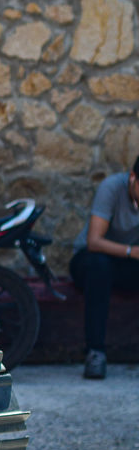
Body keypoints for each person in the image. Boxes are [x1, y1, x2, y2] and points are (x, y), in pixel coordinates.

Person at [69, 155, 139, 379]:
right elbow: (94, 241)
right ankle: (95, 353)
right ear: (132, 177)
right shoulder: (111, 187)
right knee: (100, 266)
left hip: (126, 265)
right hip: (88, 261)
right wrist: (131, 252)